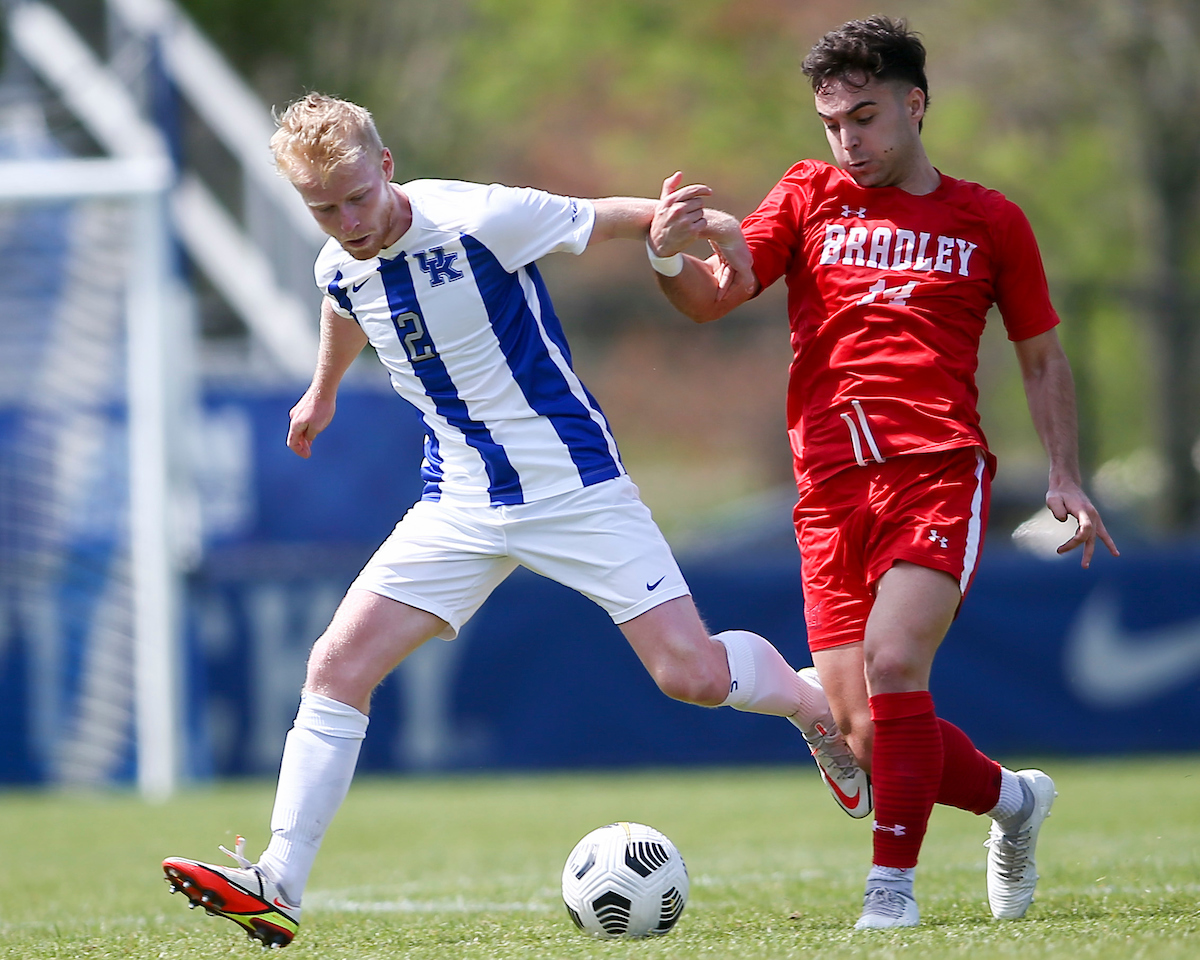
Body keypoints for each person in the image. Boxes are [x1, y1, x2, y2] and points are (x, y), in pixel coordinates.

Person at [160, 93, 867, 948]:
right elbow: (344, 302)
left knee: (690, 675)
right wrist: (323, 392)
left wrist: (686, 225)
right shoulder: (337, 261)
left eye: (357, 197)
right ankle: (278, 879)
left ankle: (810, 706)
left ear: (386, 166)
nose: (348, 222)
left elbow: (611, 218)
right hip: (458, 500)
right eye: (324, 209)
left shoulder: (481, 218)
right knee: (336, 666)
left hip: (573, 485)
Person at [648, 16, 1118, 930]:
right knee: (862, 732)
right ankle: (1015, 801)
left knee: (895, 660)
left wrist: (1064, 475)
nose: (848, 141)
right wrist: (668, 252)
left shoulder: (990, 220)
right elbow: (712, 297)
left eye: (865, 118)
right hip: (829, 490)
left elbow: (1041, 358)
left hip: (935, 472)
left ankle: (890, 891)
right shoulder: (806, 195)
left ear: (916, 104)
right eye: (832, 124)